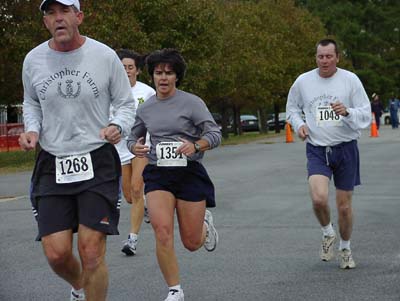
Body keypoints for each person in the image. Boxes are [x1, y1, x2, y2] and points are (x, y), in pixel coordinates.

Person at [19, 1, 134, 300]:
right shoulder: (33, 60)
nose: (58, 18)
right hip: (52, 161)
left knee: (91, 250)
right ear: (45, 22)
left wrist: (118, 126)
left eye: (65, 11)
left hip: (97, 158)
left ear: (79, 16)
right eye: (50, 13)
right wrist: (32, 129)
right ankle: (82, 285)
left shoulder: (104, 56)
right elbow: (31, 102)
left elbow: (125, 103)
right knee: (56, 254)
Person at [127, 48, 221, 301]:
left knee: (191, 243)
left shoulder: (192, 103)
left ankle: (203, 224)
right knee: (162, 229)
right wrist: (134, 148)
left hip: (189, 172)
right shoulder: (146, 109)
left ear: (177, 77)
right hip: (158, 173)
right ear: (153, 76)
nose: (163, 78)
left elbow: (215, 134)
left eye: (169, 73)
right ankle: (174, 289)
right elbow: (132, 138)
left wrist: (196, 145)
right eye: (159, 73)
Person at [286, 38, 371, 269]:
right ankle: (327, 232)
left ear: (337, 57)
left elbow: (365, 114)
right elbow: (291, 108)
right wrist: (299, 124)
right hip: (317, 149)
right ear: (316, 58)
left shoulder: (350, 80)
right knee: (318, 198)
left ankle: (345, 248)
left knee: (344, 206)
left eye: (329, 56)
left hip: (346, 148)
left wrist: (347, 112)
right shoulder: (303, 81)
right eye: (320, 56)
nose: (324, 61)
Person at [111, 49, 155, 256]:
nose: (126, 71)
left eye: (130, 67)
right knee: (129, 196)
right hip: (119, 150)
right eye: (122, 67)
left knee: (137, 189)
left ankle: (132, 239)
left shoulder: (146, 93)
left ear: (137, 71)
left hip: (140, 147)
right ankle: (145, 205)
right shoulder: (108, 92)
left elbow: (158, 118)